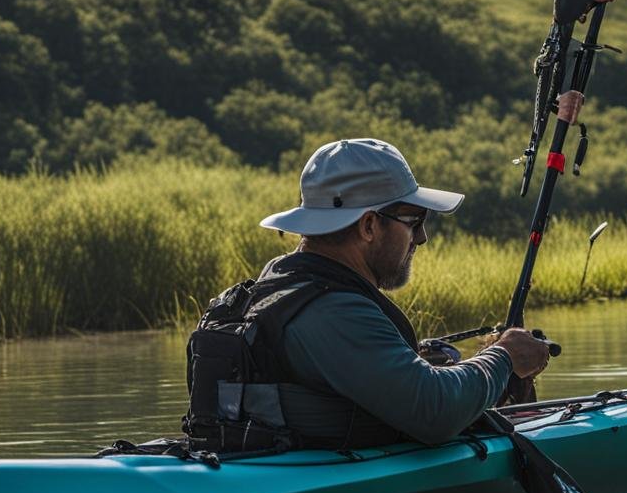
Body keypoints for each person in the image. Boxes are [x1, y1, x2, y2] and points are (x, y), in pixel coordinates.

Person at [183, 138, 552, 453]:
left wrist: (417, 365)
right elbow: (435, 411)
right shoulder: (332, 310)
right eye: (415, 221)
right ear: (369, 225)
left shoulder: (277, 288)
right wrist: (504, 358)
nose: (421, 238)